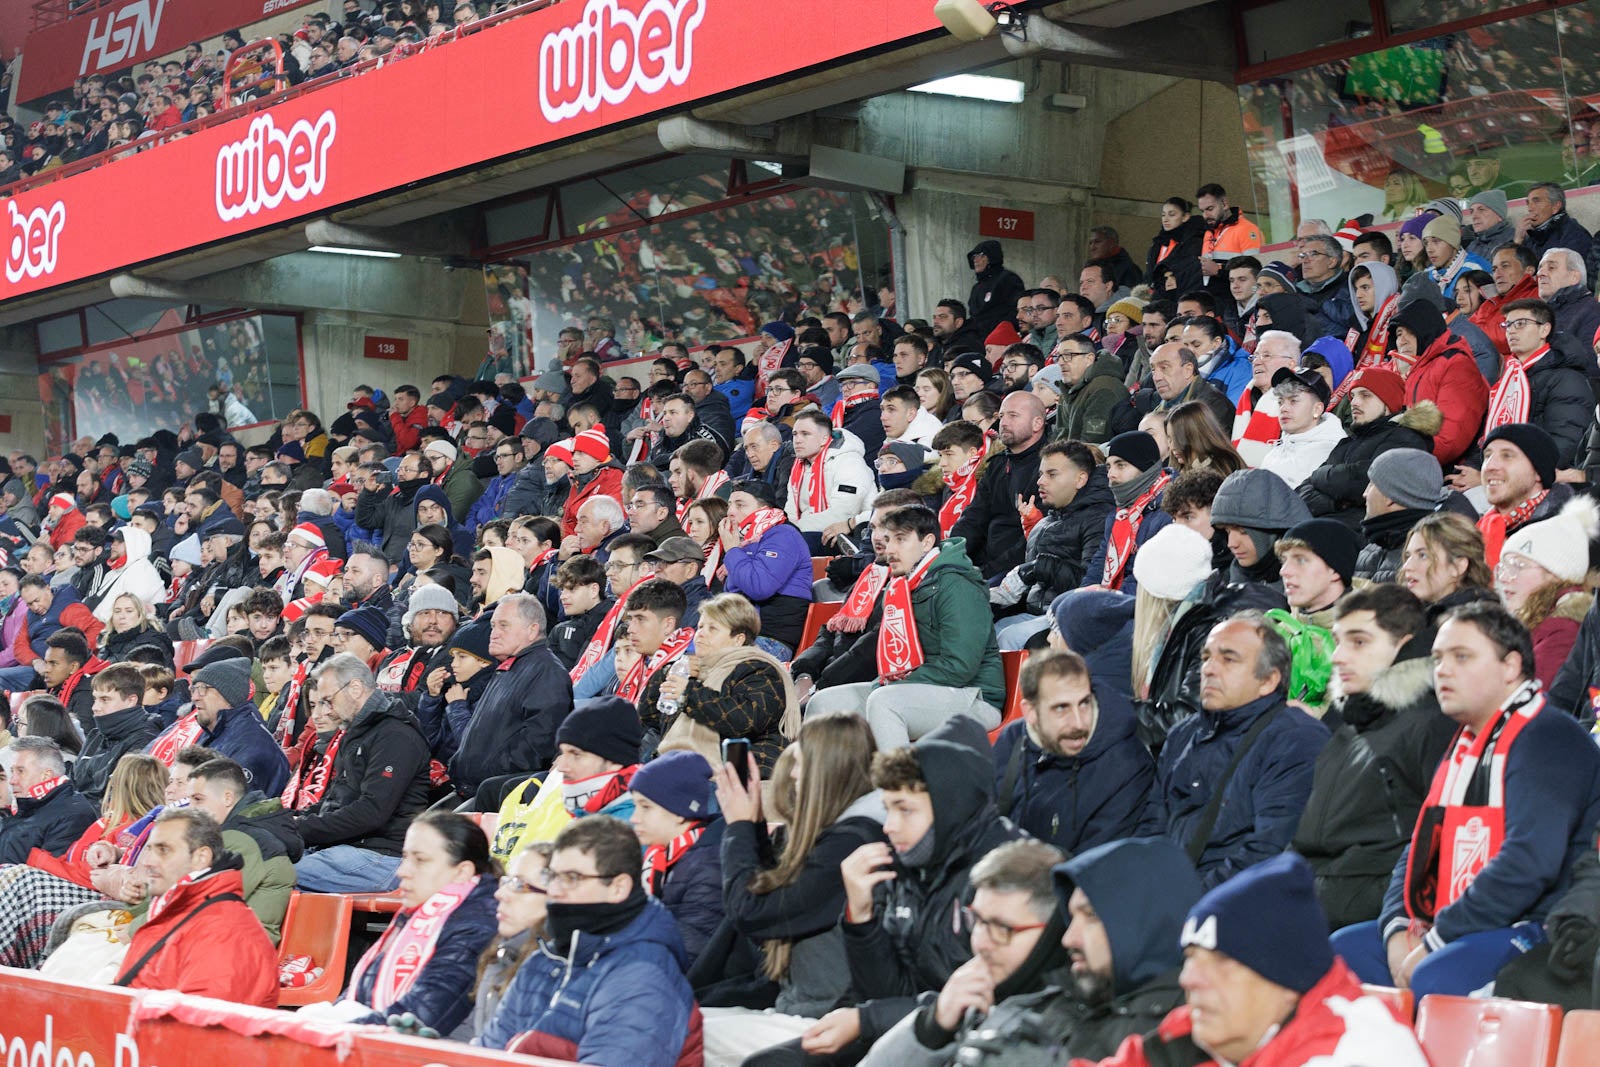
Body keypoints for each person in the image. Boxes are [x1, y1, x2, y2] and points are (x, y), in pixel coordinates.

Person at [1331, 602, 1600, 998]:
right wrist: (1397, 927)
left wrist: (1436, 939)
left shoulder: (1548, 737)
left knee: (1439, 975)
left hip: (1536, 926)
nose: (1443, 670)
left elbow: (1528, 864)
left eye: (1462, 657)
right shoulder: (1466, 740)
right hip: (1454, 920)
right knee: (1344, 953)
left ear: (1510, 667)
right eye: (1438, 658)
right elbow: (1420, 848)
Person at [781, 715, 1024, 1065]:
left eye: (904, 810)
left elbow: (986, 1002)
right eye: (888, 810)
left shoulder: (1007, 874)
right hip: (906, 1030)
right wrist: (861, 919)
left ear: (946, 806)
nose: (890, 827)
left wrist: (867, 1020)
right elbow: (886, 991)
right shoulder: (906, 864)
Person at [1092, 853, 1428, 1066]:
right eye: (1191, 959)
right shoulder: (1197, 1034)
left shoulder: (1356, 1052)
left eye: (1221, 960)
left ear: (1287, 983)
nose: (1188, 979)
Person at [702, 714, 885, 1065]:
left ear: (827, 770)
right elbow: (767, 896)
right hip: (793, 1008)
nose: (793, 773)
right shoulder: (834, 836)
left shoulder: (854, 843)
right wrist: (754, 822)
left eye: (802, 762)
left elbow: (753, 914)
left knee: (672, 1030)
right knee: (668, 1015)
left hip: (825, 1024)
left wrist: (740, 827)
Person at [1292, 585, 1456, 930]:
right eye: (1338, 640)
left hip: (1367, 920)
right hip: (1314, 900)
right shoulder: (1354, 723)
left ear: (1404, 644)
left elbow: (1443, 853)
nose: (1338, 656)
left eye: (1359, 642)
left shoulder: (1431, 724)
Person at [475, 816, 700, 1067]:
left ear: (618, 887)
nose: (556, 890)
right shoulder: (545, 958)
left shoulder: (643, 974)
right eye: (553, 876)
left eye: (571, 878)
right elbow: (487, 1053)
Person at [1139, 613, 1329, 889]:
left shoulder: (1296, 739)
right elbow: (1151, 829)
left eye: (1228, 659)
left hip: (1231, 911)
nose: (1209, 669)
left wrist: (1185, 903)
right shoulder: (1183, 734)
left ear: (1268, 680)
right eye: (1206, 658)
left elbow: (1269, 853)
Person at [807, 505, 1003, 749]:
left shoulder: (957, 585)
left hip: (974, 697)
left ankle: (899, 785)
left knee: (884, 702)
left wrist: (893, 684)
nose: (889, 550)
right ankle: (834, 786)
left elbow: (960, 666)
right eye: (888, 540)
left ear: (927, 542)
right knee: (824, 704)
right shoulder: (901, 586)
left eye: (901, 540)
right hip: (915, 689)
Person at [331, 812, 499, 1037]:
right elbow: (362, 989)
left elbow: (420, 1018)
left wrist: (329, 1029)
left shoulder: (477, 927)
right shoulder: (419, 910)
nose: (402, 871)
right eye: (405, 857)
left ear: (462, 872)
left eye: (420, 860)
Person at [291, 653, 431, 893]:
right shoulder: (357, 733)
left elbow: (371, 812)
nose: (324, 711)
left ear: (355, 688)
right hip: (347, 847)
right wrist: (291, 821)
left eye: (328, 700)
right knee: (261, 859)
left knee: (272, 874)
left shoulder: (395, 736)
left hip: (383, 855)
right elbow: (334, 802)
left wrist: (301, 829)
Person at [114, 808, 279, 1008]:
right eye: (149, 850)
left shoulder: (222, 931)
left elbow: (201, 1030)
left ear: (201, 858)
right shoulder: (179, 912)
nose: (148, 862)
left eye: (163, 850)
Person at [992, 649, 1151, 854]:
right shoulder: (1012, 741)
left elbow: (1097, 869)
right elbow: (983, 826)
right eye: (1061, 708)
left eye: (1084, 703)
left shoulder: (1127, 764)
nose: (1078, 723)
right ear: (1031, 712)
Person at [640, 592, 795, 776]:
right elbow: (648, 716)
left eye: (712, 629)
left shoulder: (760, 671)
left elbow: (744, 720)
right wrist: (667, 672)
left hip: (735, 774)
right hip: (681, 768)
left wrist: (688, 694)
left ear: (738, 639)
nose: (700, 634)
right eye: (700, 627)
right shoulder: (692, 670)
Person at [990, 439, 1114, 650]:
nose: (1040, 481)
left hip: (1066, 615)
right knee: (986, 628)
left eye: (1052, 474)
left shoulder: (1099, 518)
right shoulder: (1049, 519)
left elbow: (1089, 583)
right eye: (1041, 474)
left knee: (1009, 638)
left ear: (1080, 479)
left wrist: (1036, 569)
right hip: (1036, 610)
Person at [451, 593, 574, 799]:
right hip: (474, 789)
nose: (494, 634)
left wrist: (489, 777)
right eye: (493, 626)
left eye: (504, 626)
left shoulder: (546, 672)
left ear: (532, 630)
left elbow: (538, 746)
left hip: (498, 796)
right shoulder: (509, 668)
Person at [1300, 368, 1437, 527]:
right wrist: (1336, 504)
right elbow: (1302, 493)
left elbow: (1365, 481)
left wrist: (1319, 475)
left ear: (1388, 404)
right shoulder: (1347, 442)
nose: (1354, 402)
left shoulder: (1406, 438)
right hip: (1324, 526)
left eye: (1365, 395)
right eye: (1352, 396)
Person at [629, 750, 723, 966]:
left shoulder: (709, 866)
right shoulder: (664, 859)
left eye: (645, 807)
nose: (634, 818)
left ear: (680, 811)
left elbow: (688, 955)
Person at [1495, 497, 1598, 688]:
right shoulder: (1539, 619)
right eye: (1503, 567)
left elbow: (1531, 701)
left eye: (1518, 566)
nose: (1504, 577)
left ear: (1556, 575)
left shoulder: (1564, 629)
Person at [952, 392, 1047, 580]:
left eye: (1013, 415)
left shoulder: (1049, 467)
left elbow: (1033, 539)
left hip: (1020, 569)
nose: (1003, 423)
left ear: (1037, 423)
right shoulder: (997, 464)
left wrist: (986, 572)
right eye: (1002, 416)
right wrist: (952, 552)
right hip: (985, 563)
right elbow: (974, 516)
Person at [717, 480, 812, 657]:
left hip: (770, 640)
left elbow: (759, 587)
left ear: (764, 508)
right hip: (741, 635)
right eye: (729, 505)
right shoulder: (746, 542)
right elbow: (731, 592)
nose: (730, 512)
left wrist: (732, 552)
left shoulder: (783, 535)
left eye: (740, 505)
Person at [471, 841, 554, 1040]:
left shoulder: (555, 971)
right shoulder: (502, 951)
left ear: (557, 897)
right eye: (506, 881)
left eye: (519, 885)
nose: (500, 894)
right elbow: (481, 1038)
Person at [1082, 431, 1171, 596]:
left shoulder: (1168, 512)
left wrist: (1102, 601)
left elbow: (1146, 580)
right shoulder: (1118, 514)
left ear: (1146, 468)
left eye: (1120, 465)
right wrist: (1083, 595)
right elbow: (1099, 564)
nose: (1111, 474)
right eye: (1108, 466)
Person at [187, 656, 290, 796]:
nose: (195, 697)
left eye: (203, 689)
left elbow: (227, 806)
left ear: (228, 694)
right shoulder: (214, 731)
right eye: (194, 689)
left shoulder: (251, 745)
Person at [1476, 422, 1573, 569]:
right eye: (1487, 456)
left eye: (1507, 456)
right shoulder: (1478, 527)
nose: (1490, 466)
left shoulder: (1565, 534)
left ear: (1538, 473)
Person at [785, 411, 876, 555]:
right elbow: (791, 512)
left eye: (805, 434)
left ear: (824, 439)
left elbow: (842, 513)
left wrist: (792, 532)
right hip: (810, 530)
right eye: (795, 434)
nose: (797, 440)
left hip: (853, 532)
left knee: (791, 547)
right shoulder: (798, 467)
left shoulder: (849, 461)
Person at [72, 663, 160, 804]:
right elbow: (74, 781)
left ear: (131, 700)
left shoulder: (147, 739)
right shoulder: (96, 735)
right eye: (95, 699)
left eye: (105, 700)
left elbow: (119, 797)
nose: (95, 708)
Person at [1256, 369, 1345, 491]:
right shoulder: (1274, 452)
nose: (1283, 408)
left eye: (1293, 401)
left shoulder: (1332, 455)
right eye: (1280, 402)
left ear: (1317, 409)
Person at [1275, 518, 1357, 626]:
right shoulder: (1277, 636)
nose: (1284, 571)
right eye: (1284, 561)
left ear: (1335, 571)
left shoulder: (1376, 631)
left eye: (1301, 560)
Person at [1053, 336, 1125, 445]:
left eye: (1068, 355)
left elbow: (1092, 444)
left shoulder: (1103, 389)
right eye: (1058, 356)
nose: (1061, 362)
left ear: (1089, 359)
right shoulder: (1066, 391)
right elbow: (1059, 438)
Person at [965, 241, 1026, 339]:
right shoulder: (976, 287)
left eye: (980, 255)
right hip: (978, 339)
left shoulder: (1008, 279)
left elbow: (1015, 311)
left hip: (1001, 338)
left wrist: (993, 329)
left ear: (991, 257)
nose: (975, 260)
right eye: (973, 257)